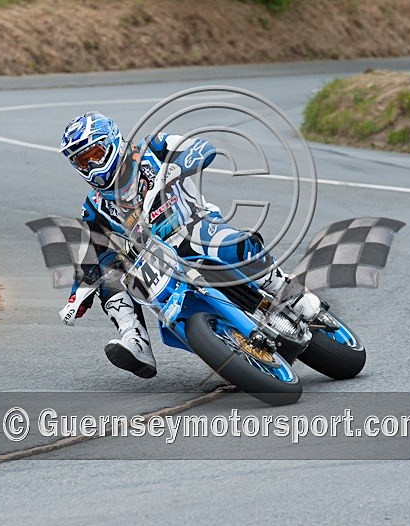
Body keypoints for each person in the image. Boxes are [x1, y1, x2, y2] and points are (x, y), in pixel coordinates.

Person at [59, 111, 320, 378]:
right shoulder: (94, 206)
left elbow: (200, 146)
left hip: (197, 227)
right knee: (110, 275)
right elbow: (91, 253)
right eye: (81, 162)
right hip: (157, 263)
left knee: (231, 244)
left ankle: (289, 292)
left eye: (94, 155)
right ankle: (134, 339)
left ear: (113, 141)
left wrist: (179, 166)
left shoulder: (153, 148)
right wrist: (76, 296)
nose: (90, 167)